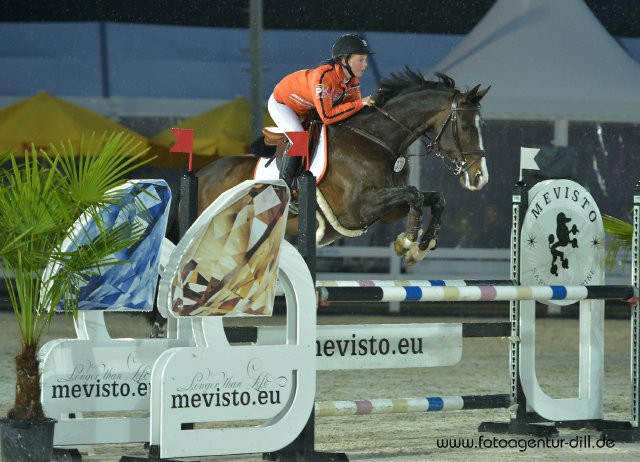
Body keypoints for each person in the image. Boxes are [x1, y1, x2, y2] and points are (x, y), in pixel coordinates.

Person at [268, 33, 376, 190]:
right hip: (283, 104)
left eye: (365, 59)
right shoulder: (323, 77)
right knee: (299, 138)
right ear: (344, 60)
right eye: (361, 60)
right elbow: (328, 116)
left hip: (308, 107)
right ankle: (282, 189)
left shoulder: (353, 81)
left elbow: (353, 112)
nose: (365, 64)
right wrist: (361, 103)